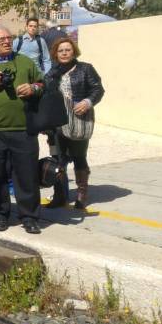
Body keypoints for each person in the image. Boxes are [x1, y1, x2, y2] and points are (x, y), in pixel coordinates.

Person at [0, 25, 45, 234]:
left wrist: (34, 88)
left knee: (27, 176)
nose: (7, 41)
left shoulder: (25, 62)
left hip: (24, 129)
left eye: (9, 38)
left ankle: (29, 216)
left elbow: (44, 83)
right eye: (1, 39)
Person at [44, 37, 104, 209]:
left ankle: (81, 194)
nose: (64, 53)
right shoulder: (52, 73)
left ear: (74, 51)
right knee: (58, 160)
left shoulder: (85, 69)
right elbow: (46, 95)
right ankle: (60, 196)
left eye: (67, 49)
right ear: (55, 53)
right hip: (58, 124)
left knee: (79, 157)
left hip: (79, 121)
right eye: (60, 50)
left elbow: (98, 89)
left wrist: (87, 102)